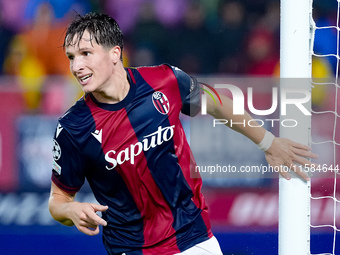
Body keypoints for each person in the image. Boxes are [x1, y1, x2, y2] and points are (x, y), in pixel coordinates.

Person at [48, 12, 318, 255]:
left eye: (85, 54)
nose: (76, 66)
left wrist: (268, 143)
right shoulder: (73, 127)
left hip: (193, 238)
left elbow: (215, 103)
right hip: (130, 249)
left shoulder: (164, 81)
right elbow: (58, 200)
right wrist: (70, 210)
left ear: (115, 53)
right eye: (71, 57)